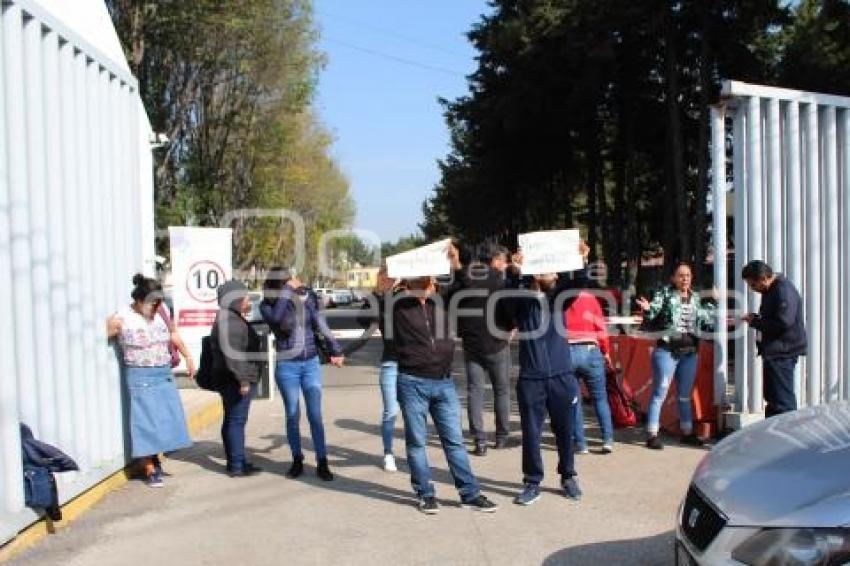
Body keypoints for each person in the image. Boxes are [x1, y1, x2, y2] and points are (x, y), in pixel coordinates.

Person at [392, 245, 498, 515]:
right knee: (417, 443)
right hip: (412, 382)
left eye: (429, 280)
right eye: (422, 280)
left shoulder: (444, 302)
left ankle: (469, 494)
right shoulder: (398, 306)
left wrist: (456, 262)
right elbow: (366, 314)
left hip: (444, 383)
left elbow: (465, 285)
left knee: (454, 442)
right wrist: (386, 284)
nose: (428, 283)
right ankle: (426, 494)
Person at [500, 253, 582, 506]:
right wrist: (517, 271)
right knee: (531, 433)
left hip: (562, 376)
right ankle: (532, 481)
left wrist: (580, 259)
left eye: (553, 271)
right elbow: (505, 301)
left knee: (565, 431)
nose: (551, 274)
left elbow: (580, 282)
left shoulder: (560, 300)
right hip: (531, 379)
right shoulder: (522, 301)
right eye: (546, 270)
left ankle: (568, 477)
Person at [107, 274, 192, 488]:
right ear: (138, 300)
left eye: (158, 303)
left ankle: (155, 457)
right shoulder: (122, 317)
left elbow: (173, 333)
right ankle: (149, 468)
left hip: (162, 372)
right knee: (145, 421)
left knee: (166, 417)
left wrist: (188, 356)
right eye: (151, 303)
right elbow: (101, 336)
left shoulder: (161, 313)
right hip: (140, 374)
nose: (155, 308)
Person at [261, 267, 344, 482]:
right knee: (292, 415)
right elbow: (278, 320)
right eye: (287, 283)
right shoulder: (267, 306)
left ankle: (322, 461)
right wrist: (288, 291)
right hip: (287, 366)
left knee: (315, 415)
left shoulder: (304, 299)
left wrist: (335, 350)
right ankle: (297, 459)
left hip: (310, 364)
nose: (293, 285)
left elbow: (320, 323)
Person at [636, 262, 715, 450]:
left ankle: (687, 433)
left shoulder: (695, 297)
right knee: (660, 393)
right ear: (673, 278)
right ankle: (652, 434)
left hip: (689, 352)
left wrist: (715, 302)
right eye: (681, 275)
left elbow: (706, 318)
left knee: (684, 396)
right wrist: (647, 308)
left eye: (688, 275)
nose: (685, 279)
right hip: (667, 351)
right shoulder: (664, 293)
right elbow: (654, 309)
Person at [455, 245, 512, 456]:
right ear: (496, 260)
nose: (505, 265)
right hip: (497, 342)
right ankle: (502, 437)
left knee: (475, 391)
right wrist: (510, 327)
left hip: (472, 344)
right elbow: (507, 308)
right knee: (501, 390)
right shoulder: (499, 280)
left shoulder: (466, 278)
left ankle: (479, 441)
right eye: (504, 261)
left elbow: (453, 305)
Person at [355, 269, 407, 472]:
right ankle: (388, 453)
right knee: (390, 411)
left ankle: (414, 452)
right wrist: (377, 294)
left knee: (413, 412)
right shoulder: (378, 299)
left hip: (412, 363)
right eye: (384, 278)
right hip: (390, 362)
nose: (389, 280)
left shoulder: (403, 296)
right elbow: (363, 319)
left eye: (392, 277)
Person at [741, 260, 807, 417]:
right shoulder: (771, 290)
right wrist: (756, 318)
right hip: (774, 352)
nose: (752, 289)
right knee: (773, 397)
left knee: (782, 401)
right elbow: (774, 317)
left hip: (782, 353)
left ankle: (786, 435)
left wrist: (756, 322)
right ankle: (771, 434)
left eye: (753, 285)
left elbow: (783, 322)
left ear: (763, 278)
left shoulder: (782, 290)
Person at [211, 280, 263, 477]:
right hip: (234, 380)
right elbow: (233, 355)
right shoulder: (230, 321)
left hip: (229, 378)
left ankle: (237, 460)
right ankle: (237, 466)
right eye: (245, 296)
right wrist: (243, 380)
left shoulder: (230, 316)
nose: (248, 300)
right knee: (236, 421)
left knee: (232, 419)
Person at [565, 277, 615, 455]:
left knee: (574, 401)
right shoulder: (591, 299)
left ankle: (581, 444)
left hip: (567, 351)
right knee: (600, 398)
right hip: (591, 350)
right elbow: (601, 329)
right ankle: (607, 440)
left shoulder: (561, 300)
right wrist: (606, 351)